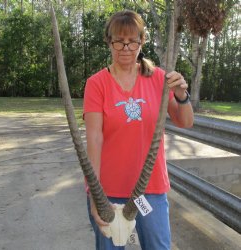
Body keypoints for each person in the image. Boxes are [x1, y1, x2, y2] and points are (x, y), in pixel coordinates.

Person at [83, 10, 194, 250]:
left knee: (158, 246)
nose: (125, 47)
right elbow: (94, 137)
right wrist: (94, 194)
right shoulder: (96, 84)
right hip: (108, 194)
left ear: (142, 41)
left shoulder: (159, 79)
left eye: (132, 40)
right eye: (118, 41)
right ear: (108, 42)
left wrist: (182, 95)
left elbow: (185, 122)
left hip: (148, 192)